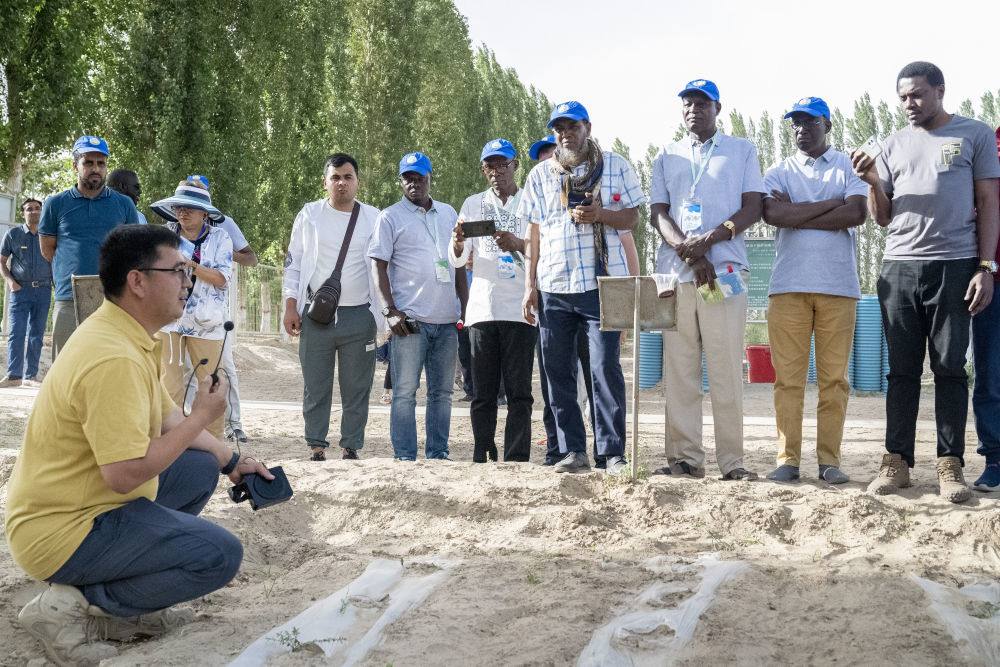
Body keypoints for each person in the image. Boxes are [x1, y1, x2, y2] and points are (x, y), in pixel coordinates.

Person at [4, 224, 271, 666]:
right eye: (180, 271)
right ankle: (78, 608)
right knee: (219, 556)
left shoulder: (125, 333)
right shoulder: (114, 357)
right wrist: (204, 416)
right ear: (138, 281)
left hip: (88, 505)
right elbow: (126, 472)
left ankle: (129, 603)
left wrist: (231, 459)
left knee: (201, 466)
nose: (189, 282)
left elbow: (169, 419)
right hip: (61, 531)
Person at [853, 62, 1000, 503]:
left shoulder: (973, 135)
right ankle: (896, 463)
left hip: (955, 265)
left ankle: (949, 467)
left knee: (951, 369)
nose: (908, 104)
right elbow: (882, 217)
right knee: (901, 371)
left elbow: (989, 201)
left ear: (940, 91)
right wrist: (871, 181)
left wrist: (986, 267)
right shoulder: (890, 144)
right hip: (898, 267)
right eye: (902, 97)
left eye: (917, 95)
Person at [519, 101, 644, 475]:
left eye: (571, 126)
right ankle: (573, 450)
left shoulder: (616, 165)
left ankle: (613, 453)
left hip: (599, 284)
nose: (565, 133)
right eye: (558, 127)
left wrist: (600, 214)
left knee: (605, 369)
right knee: (557, 373)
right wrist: (530, 287)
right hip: (554, 286)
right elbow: (533, 234)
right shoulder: (540, 175)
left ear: (587, 126)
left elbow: (633, 218)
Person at [649, 79, 764, 481]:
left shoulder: (741, 150)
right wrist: (688, 250)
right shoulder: (667, 154)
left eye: (702, 103)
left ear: (718, 108)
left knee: (725, 368)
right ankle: (685, 459)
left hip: (725, 274)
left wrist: (710, 240)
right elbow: (659, 213)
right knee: (679, 370)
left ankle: (733, 463)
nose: (694, 109)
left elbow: (754, 207)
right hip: (676, 277)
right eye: (687, 104)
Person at [761, 96, 868, 484]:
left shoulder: (849, 166)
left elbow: (857, 212)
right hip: (788, 286)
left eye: (809, 122)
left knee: (834, 380)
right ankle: (788, 460)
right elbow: (773, 214)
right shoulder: (778, 170)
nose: (800, 129)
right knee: (787, 379)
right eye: (794, 123)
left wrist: (798, 213)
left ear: (828, 124)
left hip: (838, 287)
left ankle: (829, 461)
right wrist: (829, 206)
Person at [369, 152, 468, 461]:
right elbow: (378, 265)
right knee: (404, 392)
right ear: (401, 181)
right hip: (409, 321)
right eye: (407, 177)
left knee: (442, 393)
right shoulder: (390, 217)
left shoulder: (450, 213)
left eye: (419, 176)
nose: (414, 182)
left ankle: (438, 453)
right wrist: (389, 310)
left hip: (447, 320)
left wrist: (466, 306)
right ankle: (405, 456)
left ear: (429, 177)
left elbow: (459, 265)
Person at [282, 154, 381, 461]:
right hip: (315, 316)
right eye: (335, 177)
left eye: (348, 177)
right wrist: (290, 306)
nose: (341, 183)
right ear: (324, 182)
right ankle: (316, 445)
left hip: (359, 315)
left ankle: (351, 445)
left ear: (358, 182)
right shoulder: (309, 215)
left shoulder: (374, 217)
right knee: (316, 384)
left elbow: (385, 266)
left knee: (357, 387)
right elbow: (294, 263)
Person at [450, 139, 535, 462]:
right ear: (483, 170)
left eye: (502, 164)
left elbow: (546, 251)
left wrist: (519, 243)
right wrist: (458, 243)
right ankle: (482, 450)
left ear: (516, 165)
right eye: (490, 166)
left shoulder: (531, 202)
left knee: (519, 393)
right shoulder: (473, 204)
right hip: (483, 310)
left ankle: (516, 457)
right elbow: (459, 260)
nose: (496, 171)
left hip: (521, 310)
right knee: (482, 393)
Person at [38, 135, 140, 359]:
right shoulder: (55, 204)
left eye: (101, 163)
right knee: (65, 367)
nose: (96, 169)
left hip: (113, 298)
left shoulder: (124, 204)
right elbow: (49, 250)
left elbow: (132, 250)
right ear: (75, 165)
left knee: (109, 365)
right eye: (88, 162)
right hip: (69, 297)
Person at [150, 181, 233, 441]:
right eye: (179, 207)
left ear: (205, 212)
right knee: (168, 386)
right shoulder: (164, 235)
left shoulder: (221, 238)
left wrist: (190, 265)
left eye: (191, 208)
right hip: (167, 320)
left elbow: (222, 279)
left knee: (211, 385)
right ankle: (167, 445)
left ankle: (215, 446)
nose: (183, 212)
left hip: (207, 323)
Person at [186, 174, 259, 444]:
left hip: (214, 308)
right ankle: (191, 425)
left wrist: (223, 252)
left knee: (224, 367)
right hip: (179, 309)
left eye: (198, 191)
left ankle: (233, 424)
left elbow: (252, 259)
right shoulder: (174, 225)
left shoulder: (224, 224)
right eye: (188, 191)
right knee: (186, 371)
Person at [971, 125, 1000, 490]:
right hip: (994, 277)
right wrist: (986, 268)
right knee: (990, 374)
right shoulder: (989, 143)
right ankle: (995, 458)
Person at [1, 198, 52, 387]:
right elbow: (1, 261)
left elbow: (55, 259)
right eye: (30, 209)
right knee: (17, 333)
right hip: (20, 291)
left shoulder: (48, 234)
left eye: (38, 208)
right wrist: (10, 282)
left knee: (36, 334)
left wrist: (55, 282)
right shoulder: (13, 234)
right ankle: (13, 376)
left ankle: (30, 376)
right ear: (22, 214)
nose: (34, 211)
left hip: (44, 290)